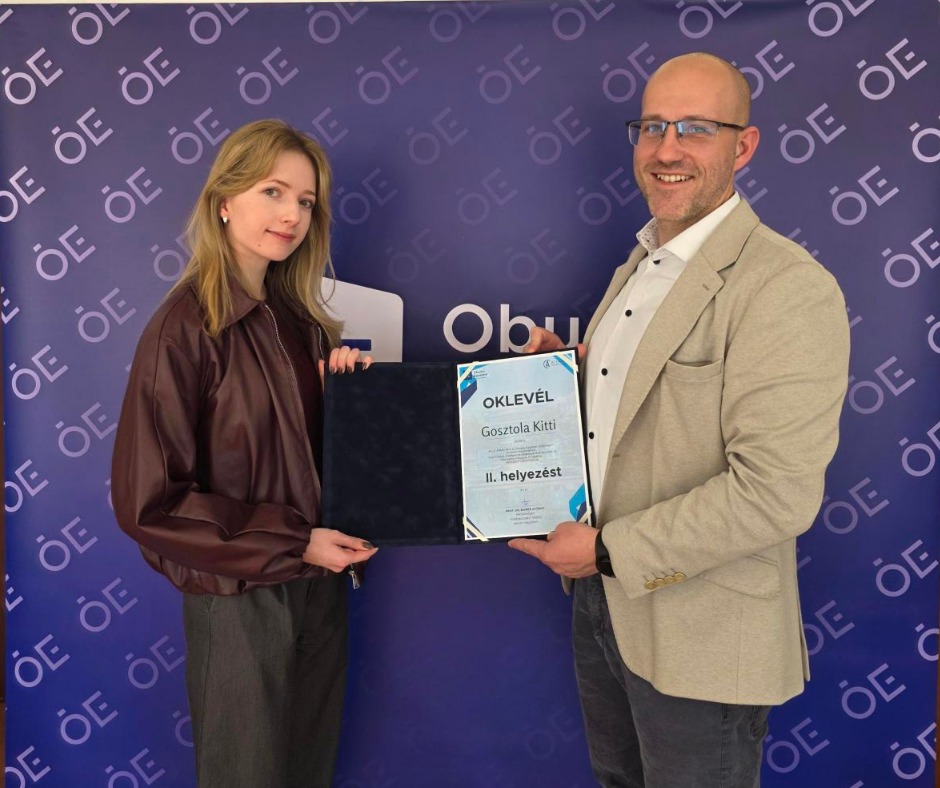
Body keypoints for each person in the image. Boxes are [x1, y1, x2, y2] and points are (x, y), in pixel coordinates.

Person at [509, 53, 850, 787]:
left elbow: (774, 494)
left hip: (702, 634)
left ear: (743, 146)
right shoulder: (638, 266)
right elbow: (638, 418)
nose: (667, 149)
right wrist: (559, 381)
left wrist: (606, 552)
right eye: (653, 127)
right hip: (604, 609)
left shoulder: (786, 286)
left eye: (695, 128)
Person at [111, 119, 378, 788]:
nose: (291, 215)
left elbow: (301, 462)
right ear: (225, 200)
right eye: (272, 192)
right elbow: (150, 503)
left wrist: (347, 408)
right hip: (238, 599)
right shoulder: (184, 329)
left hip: (318, 589)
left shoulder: (301, 324)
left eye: (306, 201)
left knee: (307, 773)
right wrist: (294, 543)